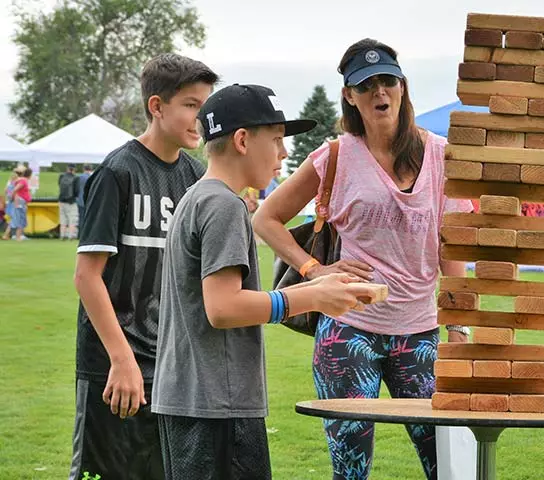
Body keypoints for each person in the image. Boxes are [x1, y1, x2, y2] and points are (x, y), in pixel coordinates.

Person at [253, 39, 473, 480]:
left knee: (450, 465)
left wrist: (459, 326)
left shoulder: (441, 155)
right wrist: (315, 271)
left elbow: (452, 245)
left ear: (403, 87)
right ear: (350, 96)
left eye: (388, 81)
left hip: (421, 334)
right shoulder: (335, 156)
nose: (380, 93)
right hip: (349, 334)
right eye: (366, 85)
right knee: (351, 469)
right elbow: (266, 217)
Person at [152, 83, 377, 479]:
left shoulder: (197, 197)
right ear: (242, 140)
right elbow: (223, 309)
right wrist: (309, 299)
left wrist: (319, 286)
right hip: (218, 406)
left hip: (192, 401)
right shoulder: (224, 206)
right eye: (276, 140)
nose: (285, 153)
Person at [69, 53, 218, 480]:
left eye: (205, 106)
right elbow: (87, 276)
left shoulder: (196, 177)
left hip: (174, 367)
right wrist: (121, 360)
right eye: (191, 105)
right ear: (157, 106)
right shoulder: (117, 171)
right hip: (114, 366)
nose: (200, 117)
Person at [58, 163, 80, 240]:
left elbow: (59, 186)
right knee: (72, 219)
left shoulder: (61, 176)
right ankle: (71, 236)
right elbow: (77, 191)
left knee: (63, 219)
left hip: (61, 201)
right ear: (74, 169)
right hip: (71, 201)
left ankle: (62, 235)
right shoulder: (76, 178)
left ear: (67, 168)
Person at [11, 167, 32, 241]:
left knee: (21, 219)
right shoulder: (23, 181)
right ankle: (18, 237)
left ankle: (18, 236)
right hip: (21, 202)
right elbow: (15, 190)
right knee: (21, 219)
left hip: (21, 202)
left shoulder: (22, 180)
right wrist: (13, 198)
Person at [1, 168, 20, 240]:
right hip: (14, 203)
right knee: (15, 219)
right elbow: (15, 194)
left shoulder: (9, 183)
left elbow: (5, 191)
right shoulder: (16, 184)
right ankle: (8, 235)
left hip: (10, 202)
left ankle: (8, 235)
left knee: (13, 219)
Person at [76, 164, 93, 232]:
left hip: (80, 200)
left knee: (81, 218)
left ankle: (80, 234)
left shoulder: (79, 177)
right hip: (89, 201)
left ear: (84, 169)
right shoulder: (92, 177)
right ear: (90, 169)